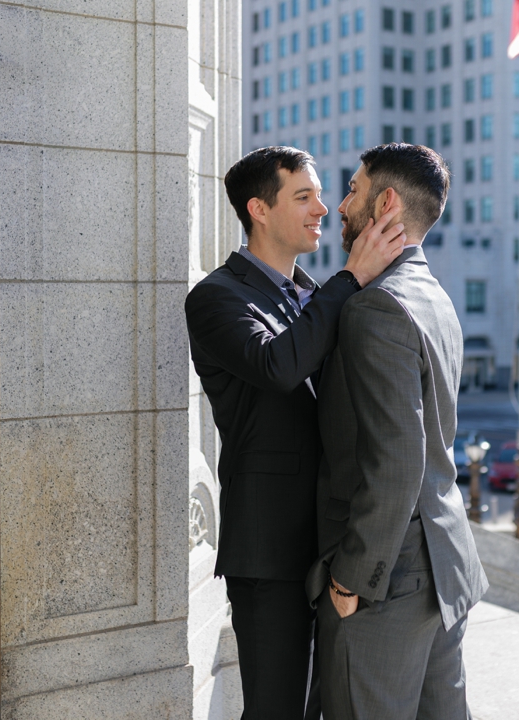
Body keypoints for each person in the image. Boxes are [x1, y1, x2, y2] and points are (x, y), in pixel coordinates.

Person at [185, 146, 405, 719]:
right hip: (269, 549)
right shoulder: (215, 297)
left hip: (331, 540)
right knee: (275, 709)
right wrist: (351, 277)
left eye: (322, 194)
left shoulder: (312, 294)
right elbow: (279, 365)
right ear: (258, 208)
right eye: (303, 196)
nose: (323, 209)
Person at [306, 143, 489, 719]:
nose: (339, 205)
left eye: (353, 189)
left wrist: (351, 579)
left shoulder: (376, 308)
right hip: (443, 571)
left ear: (386, 203)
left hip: (386, 581)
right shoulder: (435, 297)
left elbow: (398, 461)